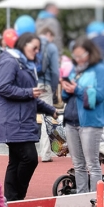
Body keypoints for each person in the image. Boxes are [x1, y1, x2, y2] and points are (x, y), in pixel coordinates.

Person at [0, 32, 57, 201]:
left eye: (38, 48)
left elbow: (30, 98)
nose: (37, 51)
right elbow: (2, 87)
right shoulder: (10, 61)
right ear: (23, 44)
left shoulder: (24, 64)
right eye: (34, 47)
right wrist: (28, 92)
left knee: (16, 160)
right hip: (13, 120)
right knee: (29, 158)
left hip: (20, 119)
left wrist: (51, 110)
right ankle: (16, 197)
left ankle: (12, 199)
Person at [62, 36, 104, 194]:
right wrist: (66, 88)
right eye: (75, 56)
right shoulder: (74, 69)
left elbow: (100, 95)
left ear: (90, 53)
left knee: (92, 164)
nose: (78, 59)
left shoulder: (101, 69)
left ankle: (94, 202)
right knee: (78, 164)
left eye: (81, 56)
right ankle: (80, 200)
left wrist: (75, 89)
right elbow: (64, 96)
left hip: (91, 121)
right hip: (71, 120)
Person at [36, 26, 60, 162]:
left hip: (31, 84)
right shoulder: (51, 48)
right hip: (45, 85)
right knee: (47, 119)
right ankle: (45, 154)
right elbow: (55, 71)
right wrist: (54, 87)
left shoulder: (32, 44)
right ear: (49, 34)